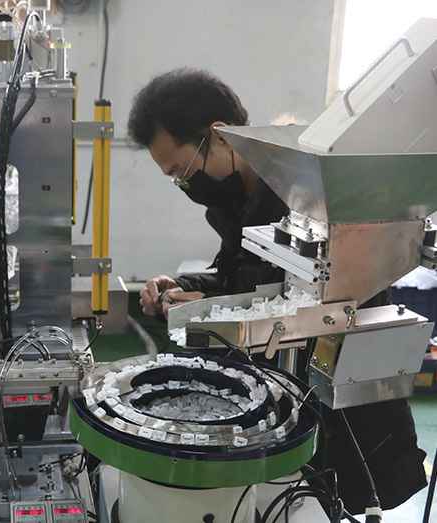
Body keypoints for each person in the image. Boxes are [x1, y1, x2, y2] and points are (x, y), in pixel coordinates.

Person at [127, 68, 427, 515]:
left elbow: (308, 298)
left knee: (332, 502)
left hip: (342, 397)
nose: (185, 185)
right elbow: (241, 278)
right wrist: (185, 288)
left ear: (219, 136)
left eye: (182, 171)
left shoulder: (304, 191)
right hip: (283, 391)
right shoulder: (234, 201)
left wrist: (217, 306)